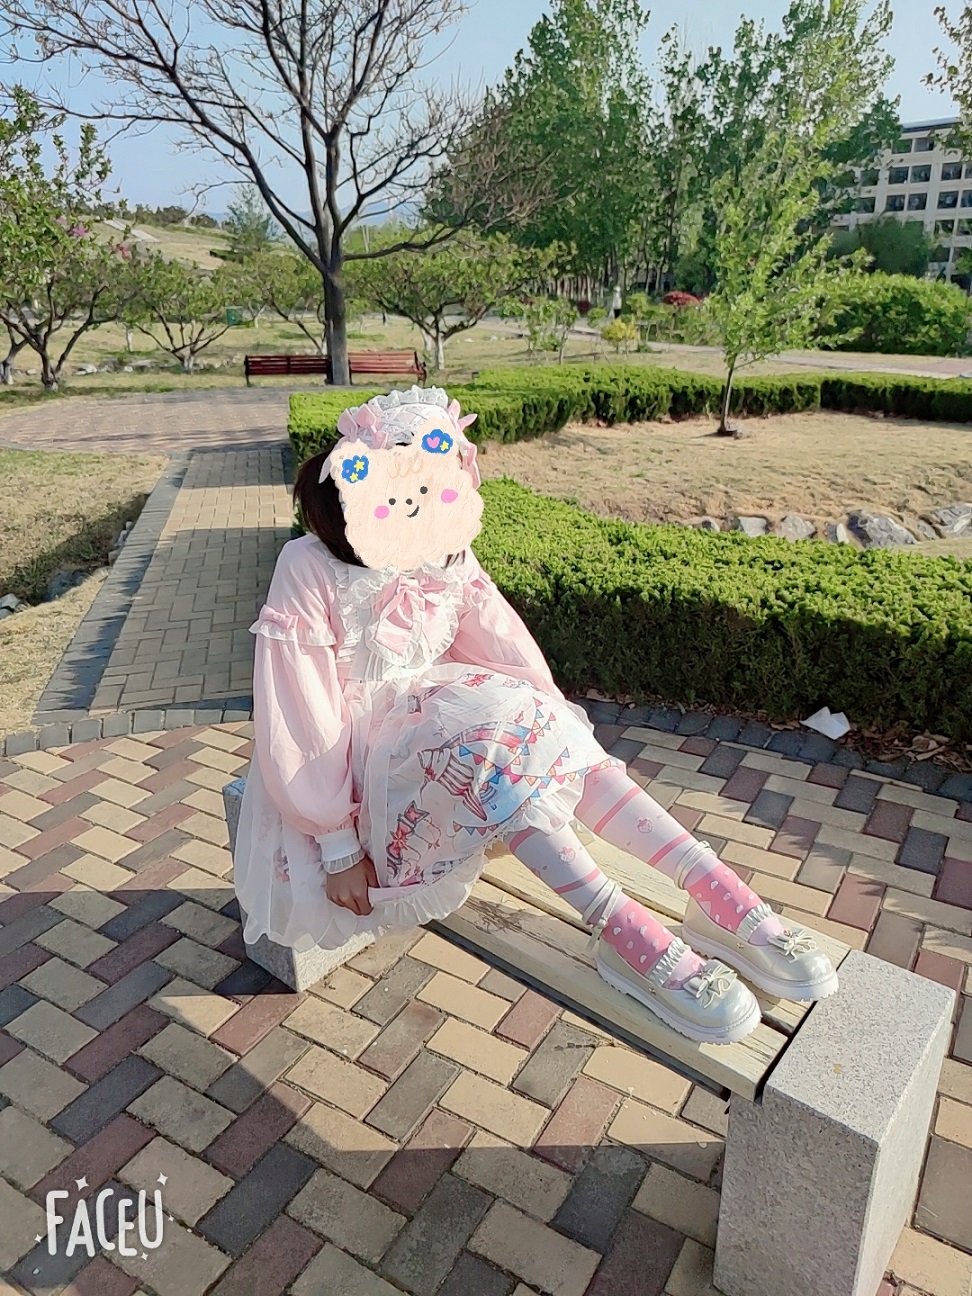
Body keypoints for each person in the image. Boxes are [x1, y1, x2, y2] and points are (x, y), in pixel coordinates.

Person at [235, 387, 837, 1045]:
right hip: (351, 764)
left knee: (534, 729)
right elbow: (300, 705)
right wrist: (337, 843)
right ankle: (622, 934)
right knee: (488, 755)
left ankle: (714, 890)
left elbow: (500, 644)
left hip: (433, 724)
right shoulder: (308, 565)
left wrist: (556, 729)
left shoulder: (440, 546)